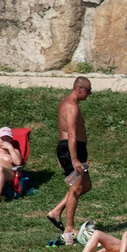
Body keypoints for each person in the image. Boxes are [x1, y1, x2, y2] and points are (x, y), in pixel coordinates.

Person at [46, 77, 92, 243]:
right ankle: (69, 227)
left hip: (72, 148)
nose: (89, 94)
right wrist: (73, 159)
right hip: (72, 150)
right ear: (79, 88)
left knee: (86, 185)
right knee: (76, 187)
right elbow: (71, 133)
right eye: (88, 90)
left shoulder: (66, 103)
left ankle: (56, 211)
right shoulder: (71, 107)